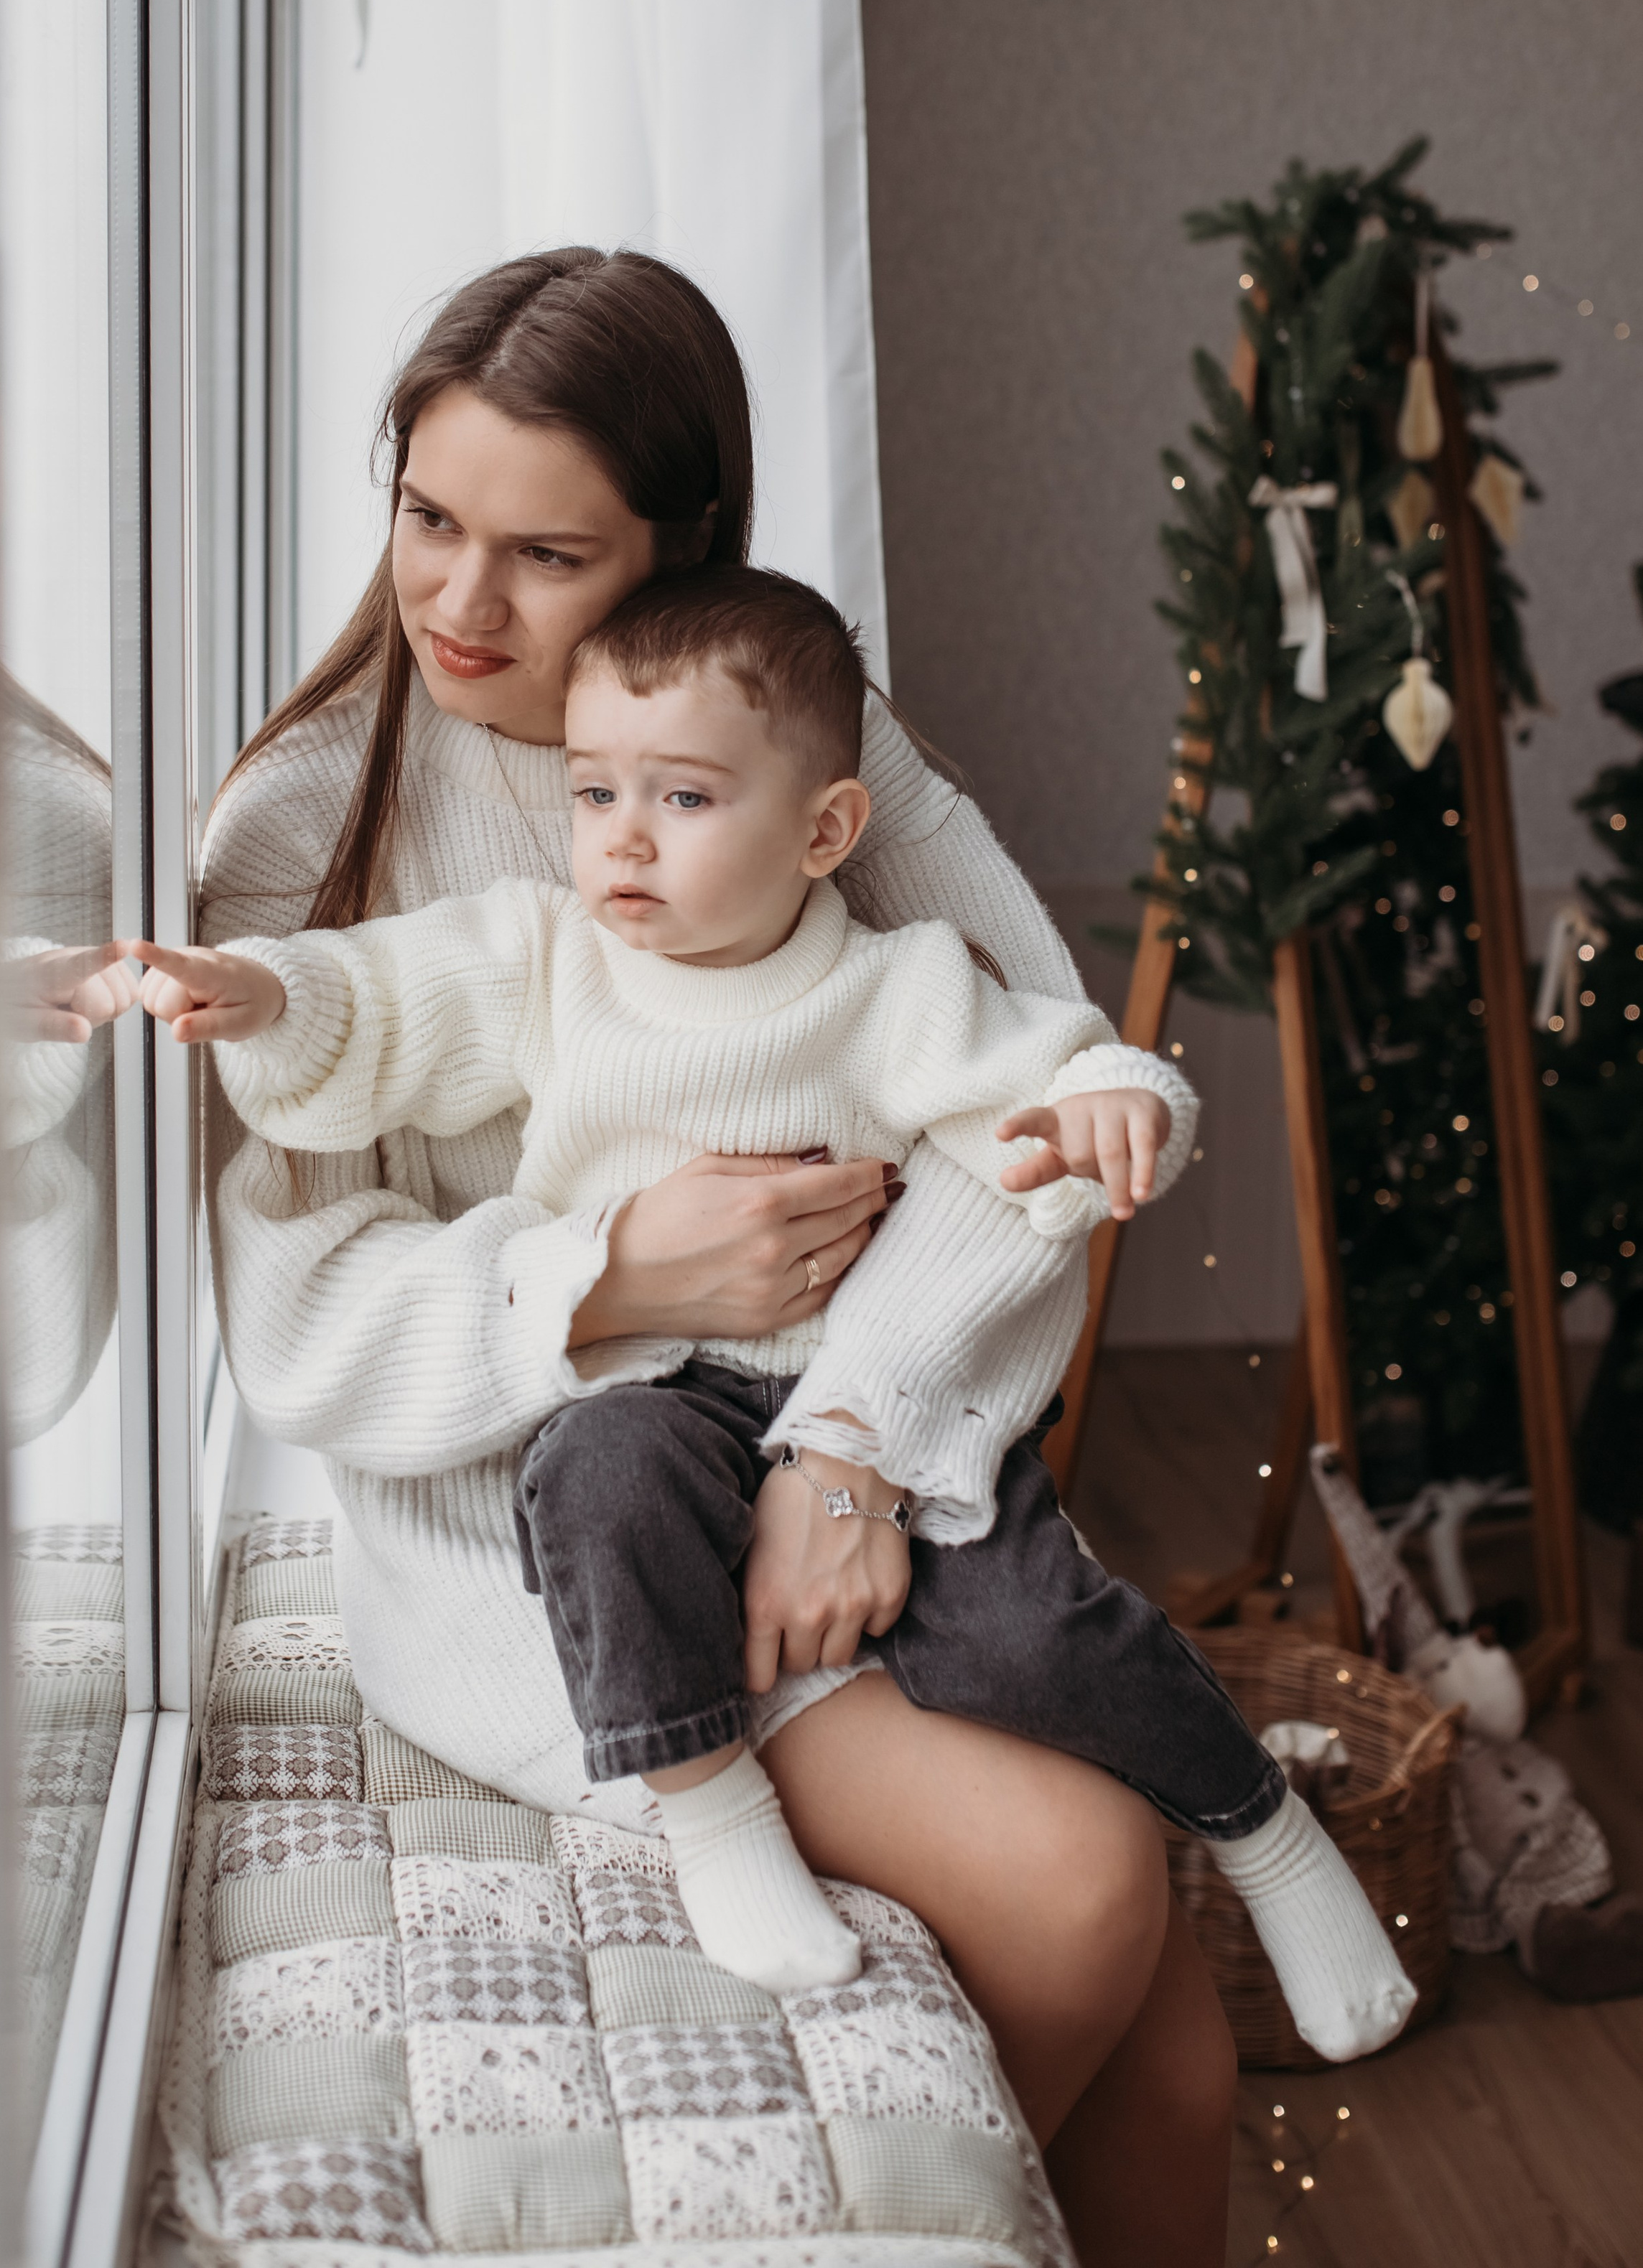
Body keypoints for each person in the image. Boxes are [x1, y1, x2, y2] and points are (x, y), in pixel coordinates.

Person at [192, 246, 1239, 2266]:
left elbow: (1035, 1117)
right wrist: (610, 1276)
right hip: (551, 1547)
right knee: (1096, 1884)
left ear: (684, 549)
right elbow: (298, 1322)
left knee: (1186, 2062)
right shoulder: (301, 833)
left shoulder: (806, 760)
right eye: (427, 517)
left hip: (840, 1479)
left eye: (545, 554)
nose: (458, 605)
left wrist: (850, 1443)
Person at [139, 566, 1413, 2063]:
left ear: (821, 831)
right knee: (592, 1483)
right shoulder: (553, 957)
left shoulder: (895, 987)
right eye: (592, 790)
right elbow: (388, 1001)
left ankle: (1260, 1829)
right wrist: (260, 993)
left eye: (679, 800)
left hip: (848, 1401)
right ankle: (713, 1808)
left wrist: (1118, 1103)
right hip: (658, 1392)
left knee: (1033, 1636)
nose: (619, 836)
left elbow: (1050, 1067)